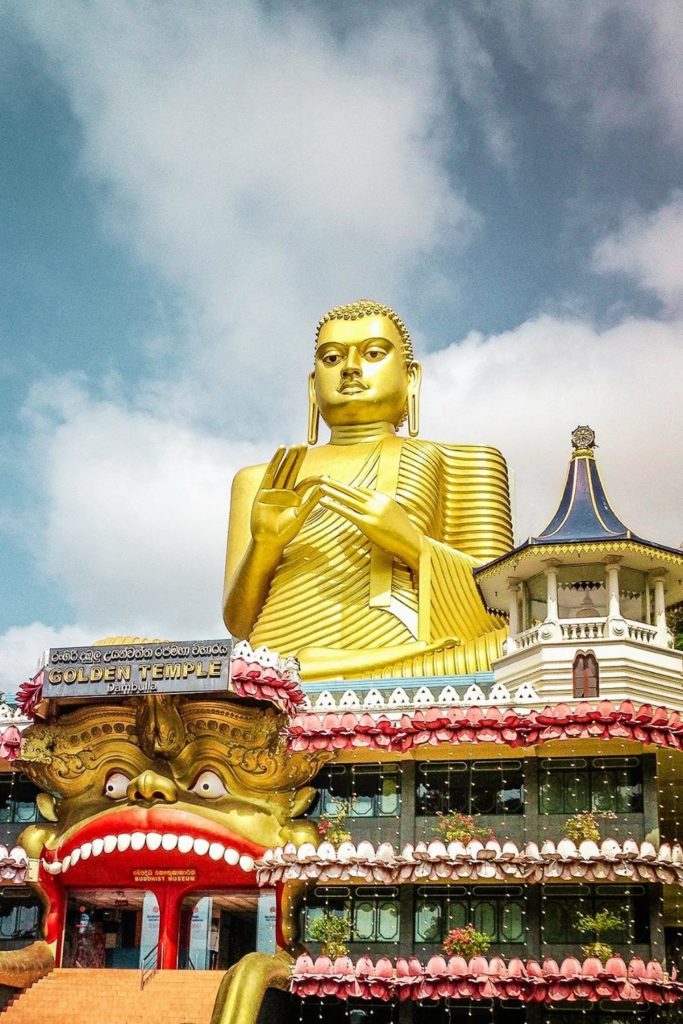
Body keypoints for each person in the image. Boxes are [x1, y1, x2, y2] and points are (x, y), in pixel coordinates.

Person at [223, 300, 512, 680]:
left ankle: (316, 669)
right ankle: (303, 671)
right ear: (313, 386)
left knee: (511, 647)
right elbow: (240, 624)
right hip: (275, 665)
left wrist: (410, 542)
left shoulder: (466, 461)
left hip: (403, 662)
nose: (350, 368)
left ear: (411, 378)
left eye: (374, 353)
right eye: (331, 358)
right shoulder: (261, 479)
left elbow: (501, 606)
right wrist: (265, 546)